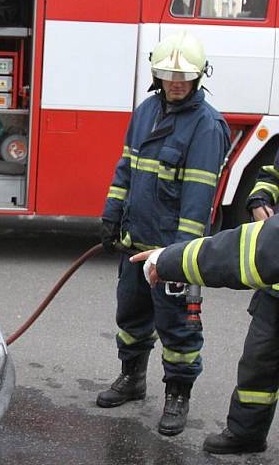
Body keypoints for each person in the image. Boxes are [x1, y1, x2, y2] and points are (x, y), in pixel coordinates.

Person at [97, 31, 230, 436]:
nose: (176, 82)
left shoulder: (207, 126)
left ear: (198, 77)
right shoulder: (146, 111)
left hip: (171, 251)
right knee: (131, 316)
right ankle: (132, 378)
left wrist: (180, 257)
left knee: (178, 328)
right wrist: (111, 213)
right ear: (156, 74)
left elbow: (197, 200)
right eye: (168, 74)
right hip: (135, 242)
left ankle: (177, 396)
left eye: (184, 76)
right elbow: (127, 168)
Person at [141, 151, 279, 455]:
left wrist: (170, 260)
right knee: (259, 361)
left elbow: (251, 252)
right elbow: (272, 175)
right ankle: (247, 433)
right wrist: (259, 199)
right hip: (275, 288)